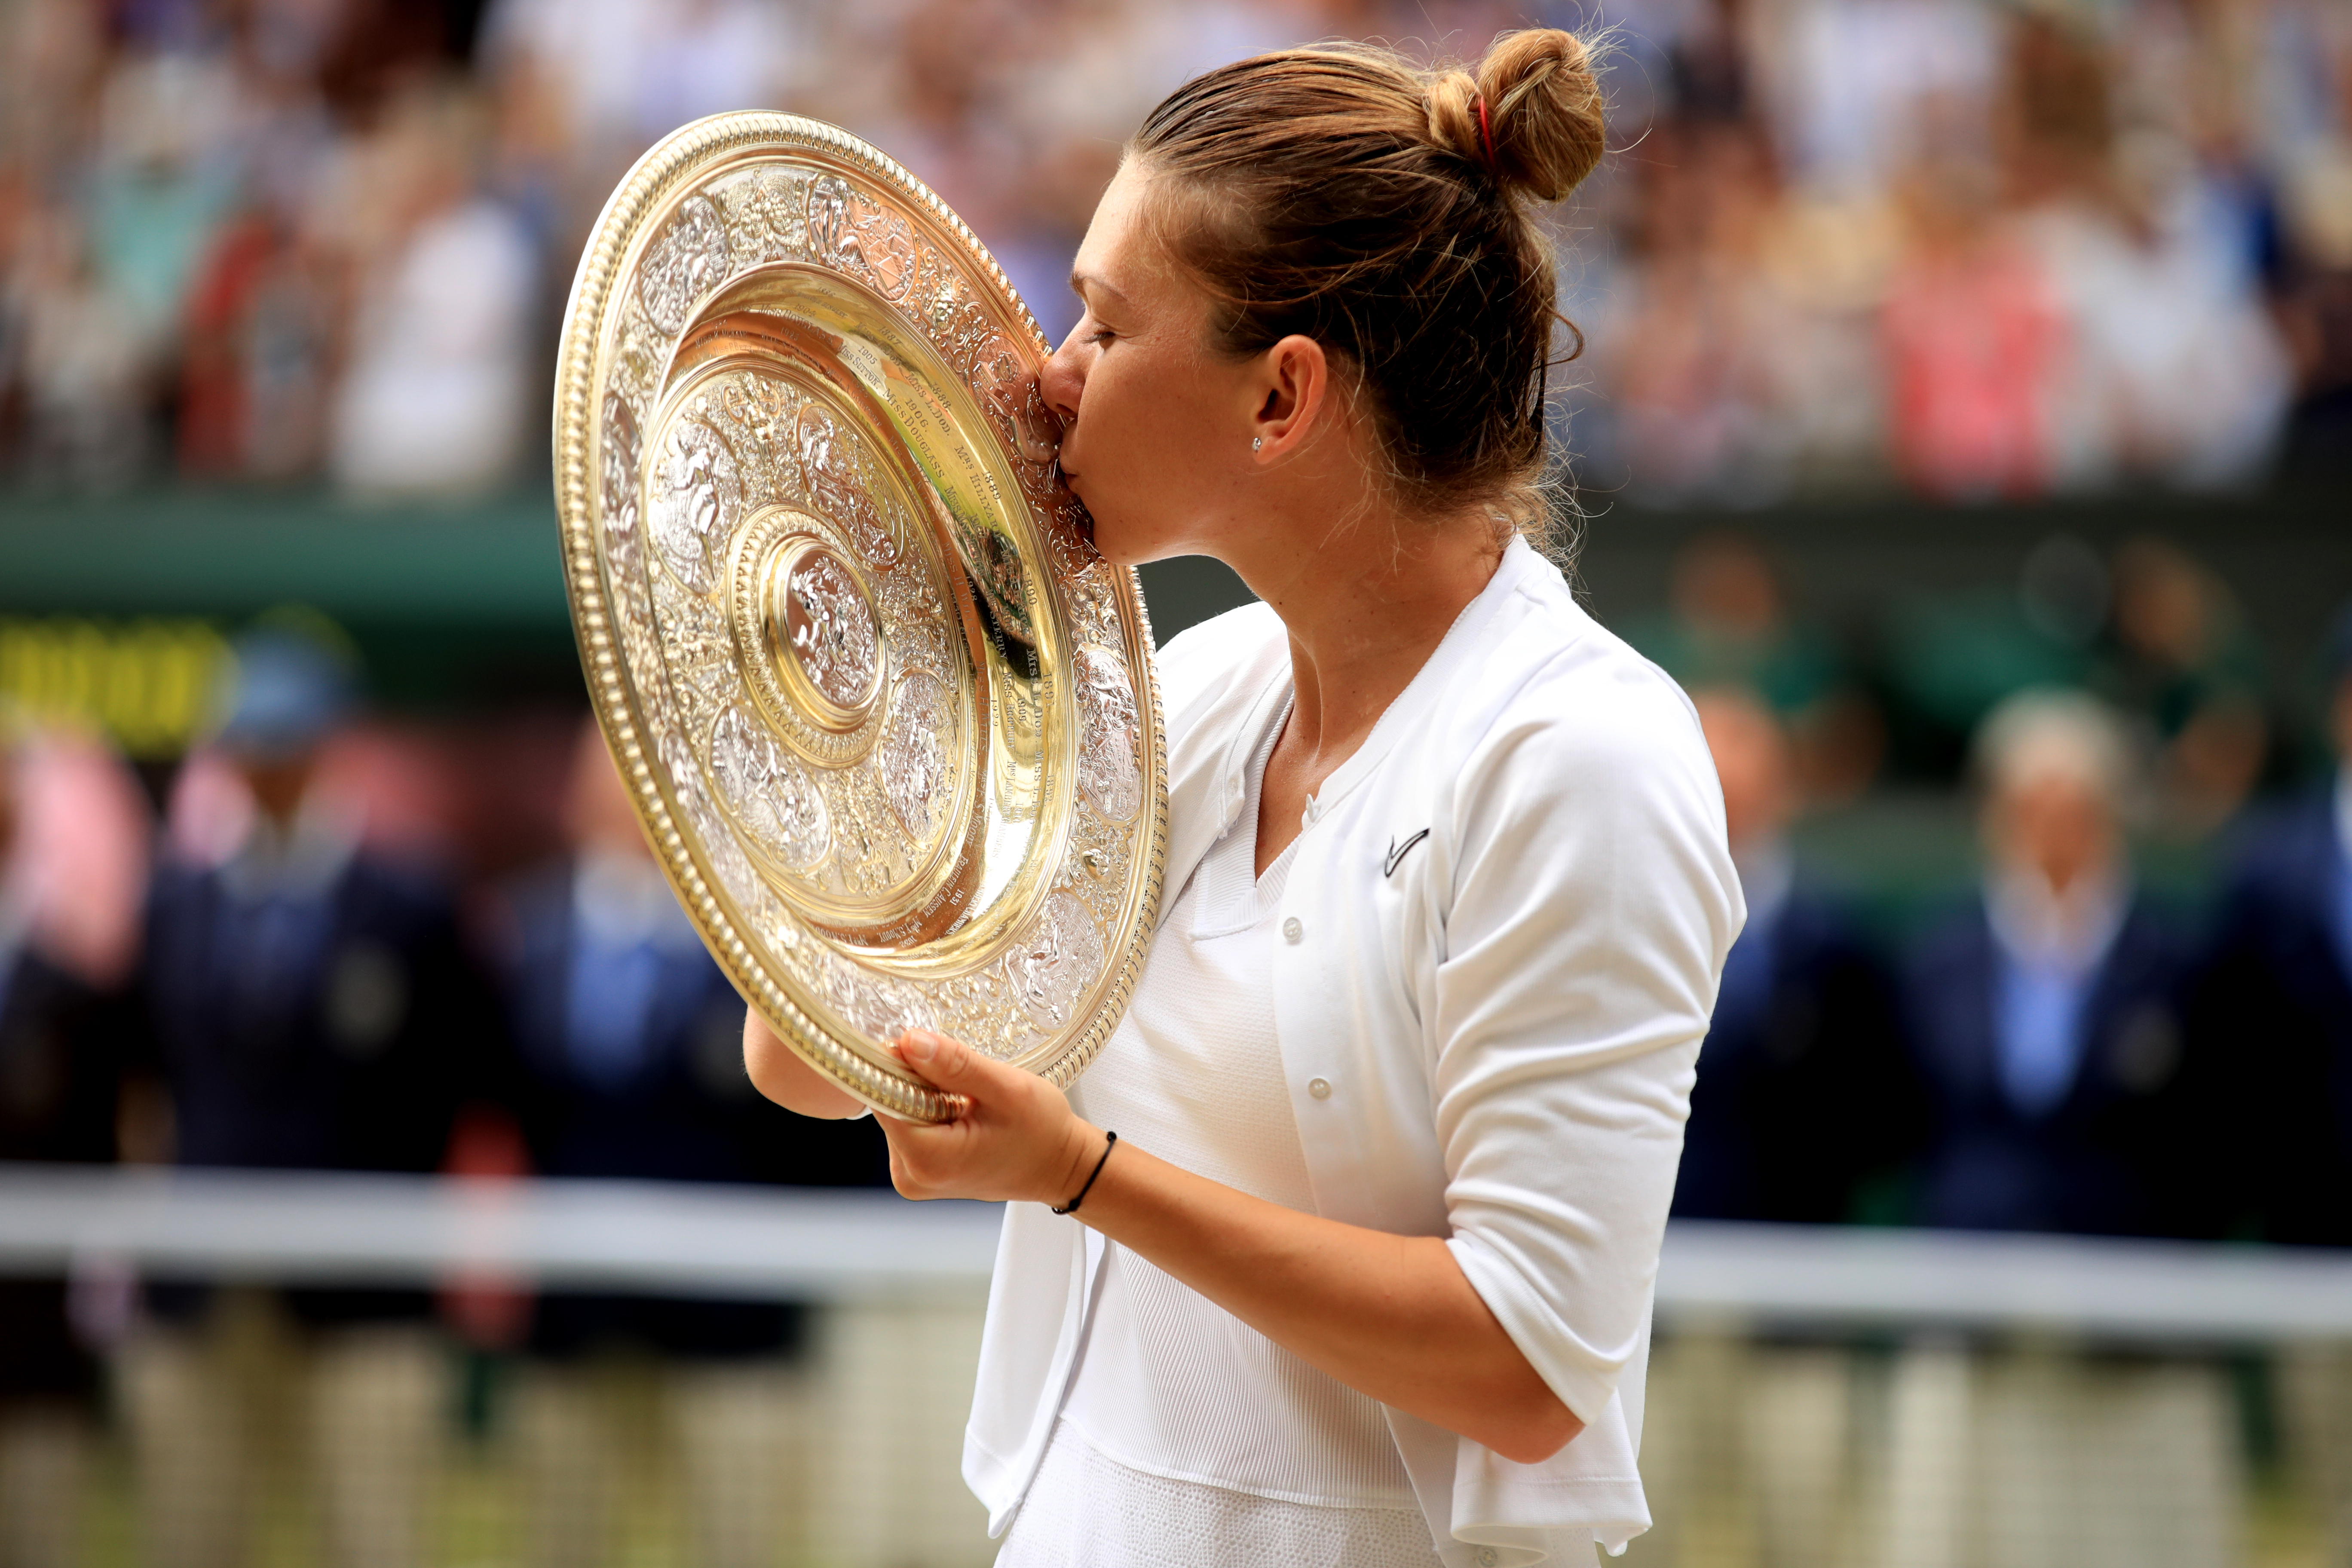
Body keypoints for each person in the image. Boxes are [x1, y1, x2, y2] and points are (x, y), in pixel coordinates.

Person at [744, 31, 1743, 1568]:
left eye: (1103, 319)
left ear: (1280, 398)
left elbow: (1529, 1364)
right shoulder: (1200, 688)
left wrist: (1080, 1174)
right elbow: (814, 1055)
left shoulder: (1579, 758)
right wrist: (872, 675)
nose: (1045, 373)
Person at [126, 619, 496, 1568]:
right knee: (192, 1538)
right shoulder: (176, 906)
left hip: (365, 1297)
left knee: (372, 1538)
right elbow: (151, 1080)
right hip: (202, 1292)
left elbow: (457, 1080)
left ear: (328, 748)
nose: (266, 767)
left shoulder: (413, 907)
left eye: (286, 743)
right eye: (249, 745)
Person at [483, 720, 890, 1568]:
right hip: (574, 1317)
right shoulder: (526, 934)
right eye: (614, 773)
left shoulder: (769, 937)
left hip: (732, 1321)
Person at [1902, 688, 2196, 1238]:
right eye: (2032, 810)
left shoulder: (2170, 956)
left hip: (2125, 1255)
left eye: (2075, 812)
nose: (2053, 833)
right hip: (1966, 1254)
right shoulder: (1941, 953)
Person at [1671, 685, 1915, 1226]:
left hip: (1798, 1230)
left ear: (1782, 788)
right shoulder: (1623, 919)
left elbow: (1877, 1109)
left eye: (1741, 778)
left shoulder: (1840, 942)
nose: (1724, 794)